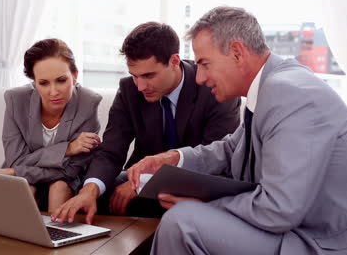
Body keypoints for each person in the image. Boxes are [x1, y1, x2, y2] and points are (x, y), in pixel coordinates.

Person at [127, 7, 347, 254]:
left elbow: (278, 208)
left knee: (183, 222)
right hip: (308, 231)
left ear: (237, 53)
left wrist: (207, 207)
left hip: (332, 243)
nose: (199, 78)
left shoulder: (289, 92)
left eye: (205, 64)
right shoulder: (272, 87)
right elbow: (231, 149)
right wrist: (174, 158)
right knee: (182, 216)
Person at [51, 22, 241, 222]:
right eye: (135, 76)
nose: (140, 86)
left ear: (174, 61)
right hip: (137, 178)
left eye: (149, 75)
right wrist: (89, 191)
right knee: (92, 191)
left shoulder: (214, 88)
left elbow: (214, 159)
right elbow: (110, 151)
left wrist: (143, 182)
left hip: (195, 183)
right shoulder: (129, 90)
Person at [0, 38, 102, 213]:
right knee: (25, 188)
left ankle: (58, 238)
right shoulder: (16, 100)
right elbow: (17, 161)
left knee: (58, 188)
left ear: (75, 75)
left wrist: (14, 172)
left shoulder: (88, 103)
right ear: (34, 82)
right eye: (43, 83)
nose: (53, 92)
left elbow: (70, 171)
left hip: (66, 180)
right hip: (26, 178)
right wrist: (67, 149)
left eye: (61, 80)